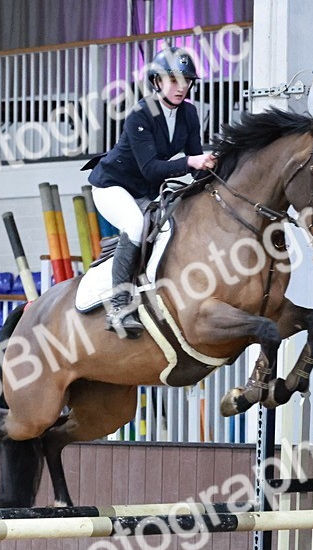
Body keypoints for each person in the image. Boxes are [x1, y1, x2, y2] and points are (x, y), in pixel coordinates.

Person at [86, 46, 216, 338]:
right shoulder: (140, 114)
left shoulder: (189, 114)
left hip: (145, 189)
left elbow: (194, 161)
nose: (181, 87)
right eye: (173, 81)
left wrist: (213, 172)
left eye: (185, 81)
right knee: (134, 226)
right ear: (157, 81)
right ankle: (118, 304)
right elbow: (151, 168)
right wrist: (191, 161)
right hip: (112, 186)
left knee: (170, 225)